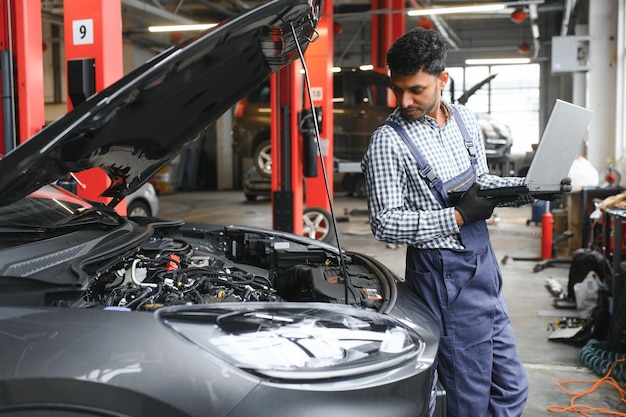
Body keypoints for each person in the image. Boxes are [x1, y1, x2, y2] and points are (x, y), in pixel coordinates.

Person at [361, 27, 569, 417]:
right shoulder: (388, 142)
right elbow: (385, 223)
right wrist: (456, 215)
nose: (405, 100)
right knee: (467, 399)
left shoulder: (465, 122)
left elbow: (483, 183)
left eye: (417, 90)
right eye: (398, 89)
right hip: (445, 277)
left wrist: (533, 188)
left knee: (510, 388)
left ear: (443, 80)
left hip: (482, 269)